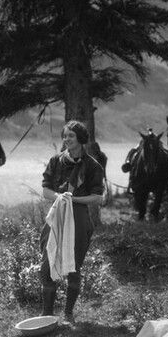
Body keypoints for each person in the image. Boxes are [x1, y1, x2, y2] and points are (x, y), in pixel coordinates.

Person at [40, 121, 105, 323]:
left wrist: (72, 199)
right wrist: (61, 197)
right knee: (47, 262)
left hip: (78, 217)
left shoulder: (93, 166)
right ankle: (47, 314)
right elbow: (46, 191)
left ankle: (68, 314)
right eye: (65, 136)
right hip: (57, 213)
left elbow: (97, 197)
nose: (67, 139)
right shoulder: (55, 161)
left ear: (81, 139)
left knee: (74, 265)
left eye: (71, 136)